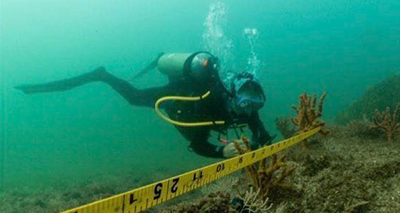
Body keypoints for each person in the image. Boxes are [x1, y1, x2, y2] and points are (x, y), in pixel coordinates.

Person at [15, 52, 274, 158]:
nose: (248, 107)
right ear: (232, 93)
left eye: (255, 102)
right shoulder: (210, 99)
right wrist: (221, 153)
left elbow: (262, 137)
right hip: (179, 99)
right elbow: (197, 144)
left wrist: (258, 143)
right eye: (244, 99)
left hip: (191, 109)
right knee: (135, 98)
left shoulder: (250, 113)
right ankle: (102, 75)